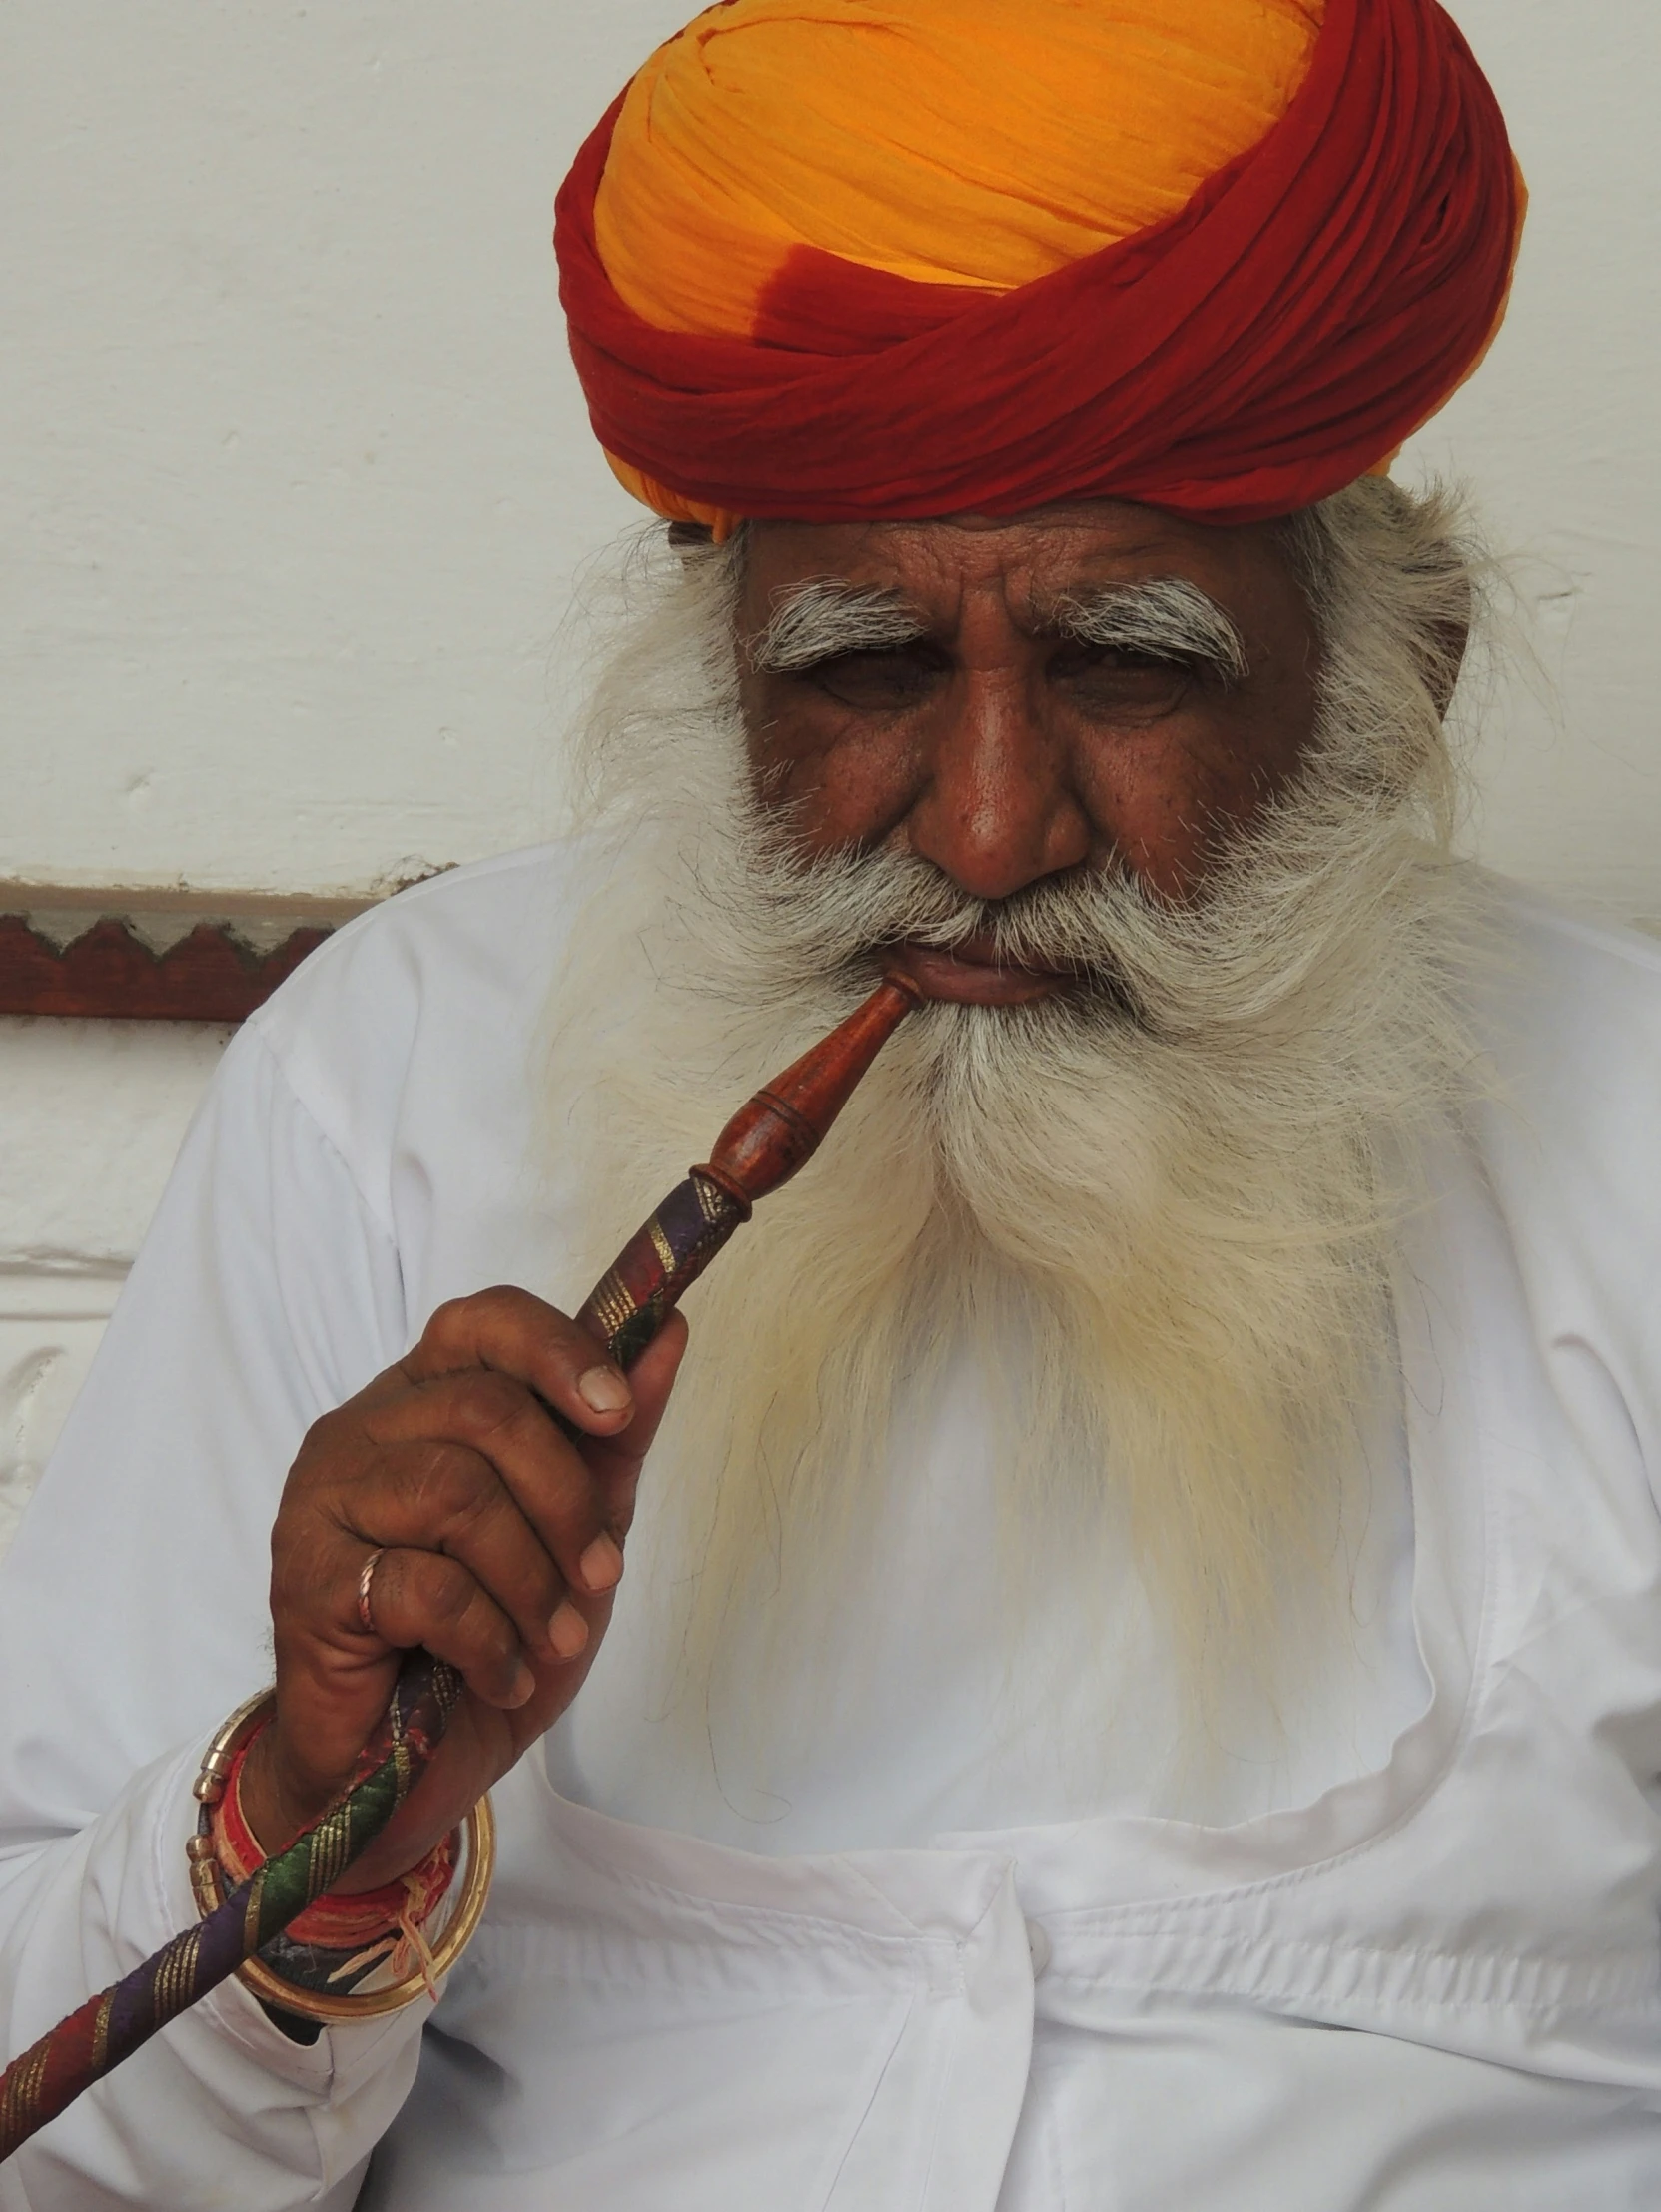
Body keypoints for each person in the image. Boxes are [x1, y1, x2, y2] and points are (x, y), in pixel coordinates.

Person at [5, 1, 1661, 2205]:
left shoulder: (1629, 1142)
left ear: (1390, 681)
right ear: (707, 677)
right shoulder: (395, 1084)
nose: (985, 831)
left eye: (1132, 664)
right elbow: (63, 2153)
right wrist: (310, 1813)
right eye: (863, 668)